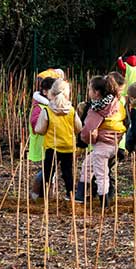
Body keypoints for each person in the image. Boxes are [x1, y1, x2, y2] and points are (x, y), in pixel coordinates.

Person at [34, 78, 82, 201]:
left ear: (51, 93)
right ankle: (70, 194)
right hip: (68, 146)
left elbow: (39, 129)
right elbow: (78, 127)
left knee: (48, 172)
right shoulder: (71, 110)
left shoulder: (47, 111)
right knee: (67, 172)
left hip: (52, 147)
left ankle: (43, 196)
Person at [79, 75, 124, 204]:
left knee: (101, 174)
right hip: (114, 143)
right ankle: (79, 196)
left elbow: (88, 130)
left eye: (89, 89)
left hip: (102, 145)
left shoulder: (96, 109)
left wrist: (85, 139)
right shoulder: (116, 104)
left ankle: (104, 201)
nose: (88, 92)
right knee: (87, 165)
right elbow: (125, 121)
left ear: (96, 93)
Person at [28, 68, 65, 197]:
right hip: (43, 144)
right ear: (45, 92)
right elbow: (35, 125)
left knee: (50, 169)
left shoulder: (51, 105)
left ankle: (45, 195)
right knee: (47, 169)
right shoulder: (40, 106)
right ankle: (36, 193)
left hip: (52, 143)